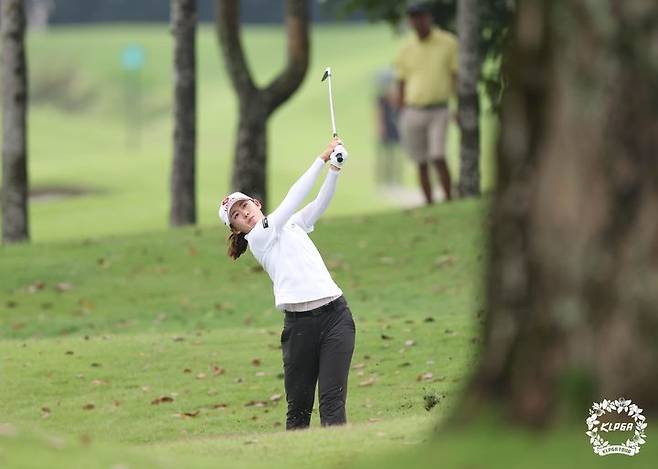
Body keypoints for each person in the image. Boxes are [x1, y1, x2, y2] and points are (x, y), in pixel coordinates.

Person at [218, 137, 356, 430]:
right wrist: (321, 159)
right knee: (298, 412)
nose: (245, 214)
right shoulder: (259, 239)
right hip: (299, 327)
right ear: (237, 230)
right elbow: (294, 197)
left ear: (256, 203)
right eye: (238, 217)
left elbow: (318, 204)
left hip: (336, 317)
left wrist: (334, 170)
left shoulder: (292, 224)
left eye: (245, 206)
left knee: (332, 404)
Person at [394, 1, 458, 203]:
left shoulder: (448, 42)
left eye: (421, 16)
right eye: (414, 18)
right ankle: (429, 203)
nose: (418, 21)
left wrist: (458, 107)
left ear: (429, 17)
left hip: (439, 109)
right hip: (413, 110)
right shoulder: (406, 49)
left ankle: (448, 199)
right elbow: (401, 82)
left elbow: (455, 76)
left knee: (438, 156)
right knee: (421, 161)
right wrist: (401, 109)